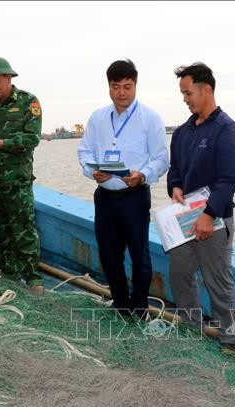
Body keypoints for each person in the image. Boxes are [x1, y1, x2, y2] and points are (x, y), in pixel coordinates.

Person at [77, 59, 169, 317]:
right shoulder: (98, 118)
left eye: (127, 86)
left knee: (140, 256)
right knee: (108, 254)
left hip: (135, 196)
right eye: (116, 86)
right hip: (104, 195)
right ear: (109, 86)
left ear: (135, 85)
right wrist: (92, 172)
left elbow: (162, 159)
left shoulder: (150, 118)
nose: (122, 93)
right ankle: (119, 303)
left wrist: (143, 175)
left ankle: (139, 306)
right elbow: (84, 150)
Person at [167, 62, 235, 349]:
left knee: (219, 284)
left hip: (215, 220)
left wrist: (210, 214)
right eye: (183, 94)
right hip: (185, 218)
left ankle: (230, 340)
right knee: (180, 275)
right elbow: (176, 170)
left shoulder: (226, 130)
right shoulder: (183, 133)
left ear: (206, 89)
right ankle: (191, 332)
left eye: (188, 93)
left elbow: (231, 178)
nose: (185, 99)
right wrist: (174, 186)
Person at [0, 56, 44, 294]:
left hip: (17, 181)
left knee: (23, 230)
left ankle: (33, 278)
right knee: (0, 231)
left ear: (8, 77)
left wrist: (3, 143)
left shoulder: (28, 102)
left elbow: (32, 138)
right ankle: (9, 275)